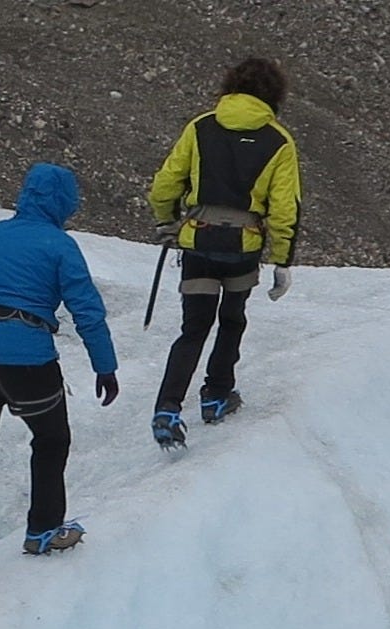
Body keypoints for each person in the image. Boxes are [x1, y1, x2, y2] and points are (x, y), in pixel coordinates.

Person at [0, 161, 120, 587]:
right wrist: (105, 366)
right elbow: (86, 310)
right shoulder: (60, 244)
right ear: (64, 202)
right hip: (28, 357)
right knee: (51, 440)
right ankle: (44, 530)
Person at [144, 57, 303, 447]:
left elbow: (166, 182)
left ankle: (167, 407)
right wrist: (282, 260)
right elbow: (285, 209)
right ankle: (216, 396)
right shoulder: (279, 141)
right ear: (274, 95)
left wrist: (167, 221)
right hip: (242, 247)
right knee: (232, 319)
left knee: (193, 327)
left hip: (198, 238)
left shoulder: (201, 127)